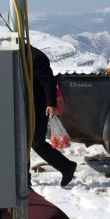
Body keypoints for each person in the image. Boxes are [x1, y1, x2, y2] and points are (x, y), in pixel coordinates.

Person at [29, 45, 76, 187]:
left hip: (38, 107)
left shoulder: (35, 57)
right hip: (26, 107)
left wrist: (51, 104)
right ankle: (24, 178)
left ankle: (66, 166)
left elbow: (48, 81)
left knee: (36, 143)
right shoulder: (20, 57)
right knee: (23, 144)